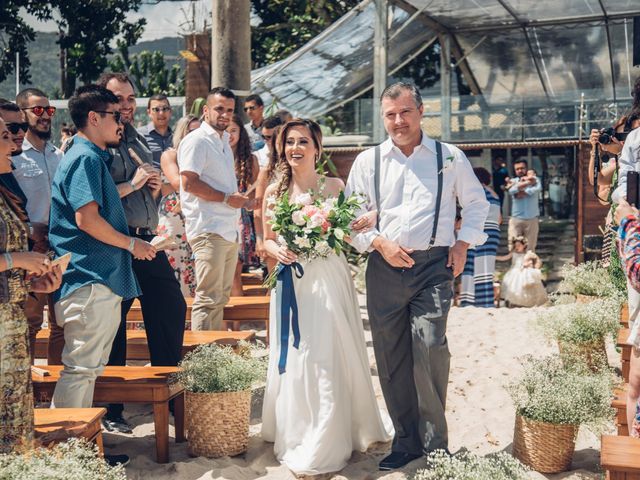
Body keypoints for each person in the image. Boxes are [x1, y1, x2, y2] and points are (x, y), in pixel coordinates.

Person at [346, 82, 489, 470]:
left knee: (429, 347)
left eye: (405, 112)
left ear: (421, 112)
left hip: (433, 267)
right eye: (390, 114)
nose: (398, 121)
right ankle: (407, 442)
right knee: (391, 357)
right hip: (384, 267)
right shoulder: (368, 161)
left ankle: (436, 443)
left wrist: (462, 245)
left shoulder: (449, 157)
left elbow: (477, 205)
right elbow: (350, 220)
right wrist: (378, 243)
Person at [261, 118, 392, 475]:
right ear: (281, 147)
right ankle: (299, 427)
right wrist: (279, 251)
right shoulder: (273, 191)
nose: (295, 148)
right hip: (293, 281)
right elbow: (266, 239)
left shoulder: (334, 186)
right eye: (289, 142)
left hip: (330, 279)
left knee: (328, 353)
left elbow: (349, 233)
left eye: (303, 141)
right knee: (300, 354)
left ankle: (331, 434)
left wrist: (365, 224)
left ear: (318, 149)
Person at [96, 72, 186, 433]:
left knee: (171, 305)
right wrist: (132, 184)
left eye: (131, 98)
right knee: (114, 325)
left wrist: (153, 188)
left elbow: (145, 196)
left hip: (146, 239)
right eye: (120, 99)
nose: (127, 105)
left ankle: (165, 391)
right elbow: (93, 201)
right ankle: (113, 410)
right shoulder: (97, 140)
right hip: (115, 243)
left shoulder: (137, 138)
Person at [0, 116, 62, 453]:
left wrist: (37, 281)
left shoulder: (7, 191)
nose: (14, 144)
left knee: (15, 410)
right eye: (5, 136)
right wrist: (19, 261)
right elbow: (12, 257)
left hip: (12, 316)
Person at [178, 87, 251, 330]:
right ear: (206, 110)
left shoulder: (222, 140)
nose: (225, 114)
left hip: (227, 228)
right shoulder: (197, 140)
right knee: (208, 298)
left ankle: (212, 356)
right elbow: (188, 183)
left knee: (219, 298)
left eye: (229, 110)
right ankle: (200, 361)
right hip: (209, 228)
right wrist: (227, 198)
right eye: (219, 108)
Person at [14, 88, 65, 364]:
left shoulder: (59, 155)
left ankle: (55, 396)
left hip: (58, 247)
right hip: (29, 249)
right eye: (38, 111)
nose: (45, 116)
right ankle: (29, 391)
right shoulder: (13, 156)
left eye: (49, 110)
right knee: (30, 323)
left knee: (61, 325)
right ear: (22, 114)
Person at [157, 114, 200, 298]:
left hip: (196, 212)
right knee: (173, 263)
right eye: (192, 131)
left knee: (194, 267)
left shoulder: (204, 157)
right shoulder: (170, 155)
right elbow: (178, 183)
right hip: (174, 215)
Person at [228, 114, 260, 296]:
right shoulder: (213, 156)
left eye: (234, 130)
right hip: (218, 217)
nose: (230, 135)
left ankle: (235, 325)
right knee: (224, 275)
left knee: (234, 273)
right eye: (226, 130)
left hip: (240, 221)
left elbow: (254, 197)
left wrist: (247, 201)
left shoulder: (250, 160)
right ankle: (225, 325)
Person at [460, 167, 501, 307]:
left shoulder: (479, 192)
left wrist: (456, 225)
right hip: (493, 233)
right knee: (485, 269)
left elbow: (474, 214)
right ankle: (484, 300)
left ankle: (474, 301)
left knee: (474, 267)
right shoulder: (494, 193)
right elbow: (499, 218)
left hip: (481, 233)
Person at [497, 236, 547, 307]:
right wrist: (495, 258)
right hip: (514, 271)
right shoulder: (513, 253)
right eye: (515, 245)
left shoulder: (528, 254)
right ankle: (512, 302)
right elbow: (504, 258)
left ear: (524, 245)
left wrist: (529, 264)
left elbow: (536, 261)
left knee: (525, 285)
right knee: (512, 285)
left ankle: (526, 302)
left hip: (524, 271)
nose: (517, 247)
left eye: (519, 245)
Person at [507, 159, 541, 252]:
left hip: (532, 218)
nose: (520, 170)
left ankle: (529, 266)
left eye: (522, 168)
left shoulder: (535, 179)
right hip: (516, 218)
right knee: (514, 246)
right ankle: (516, 265)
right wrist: (528, 184)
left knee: (530, 247)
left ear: (526, 168)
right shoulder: (513, 181)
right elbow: (511, 191)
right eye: (517, 169)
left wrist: (524, 191)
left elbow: (538, 188)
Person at [138, 94, 173, 168]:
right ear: (149, 113)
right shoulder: (139, 135)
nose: (161, 113)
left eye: (165, 109)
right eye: (156, 109)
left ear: (170, 111)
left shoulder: (176, 137)